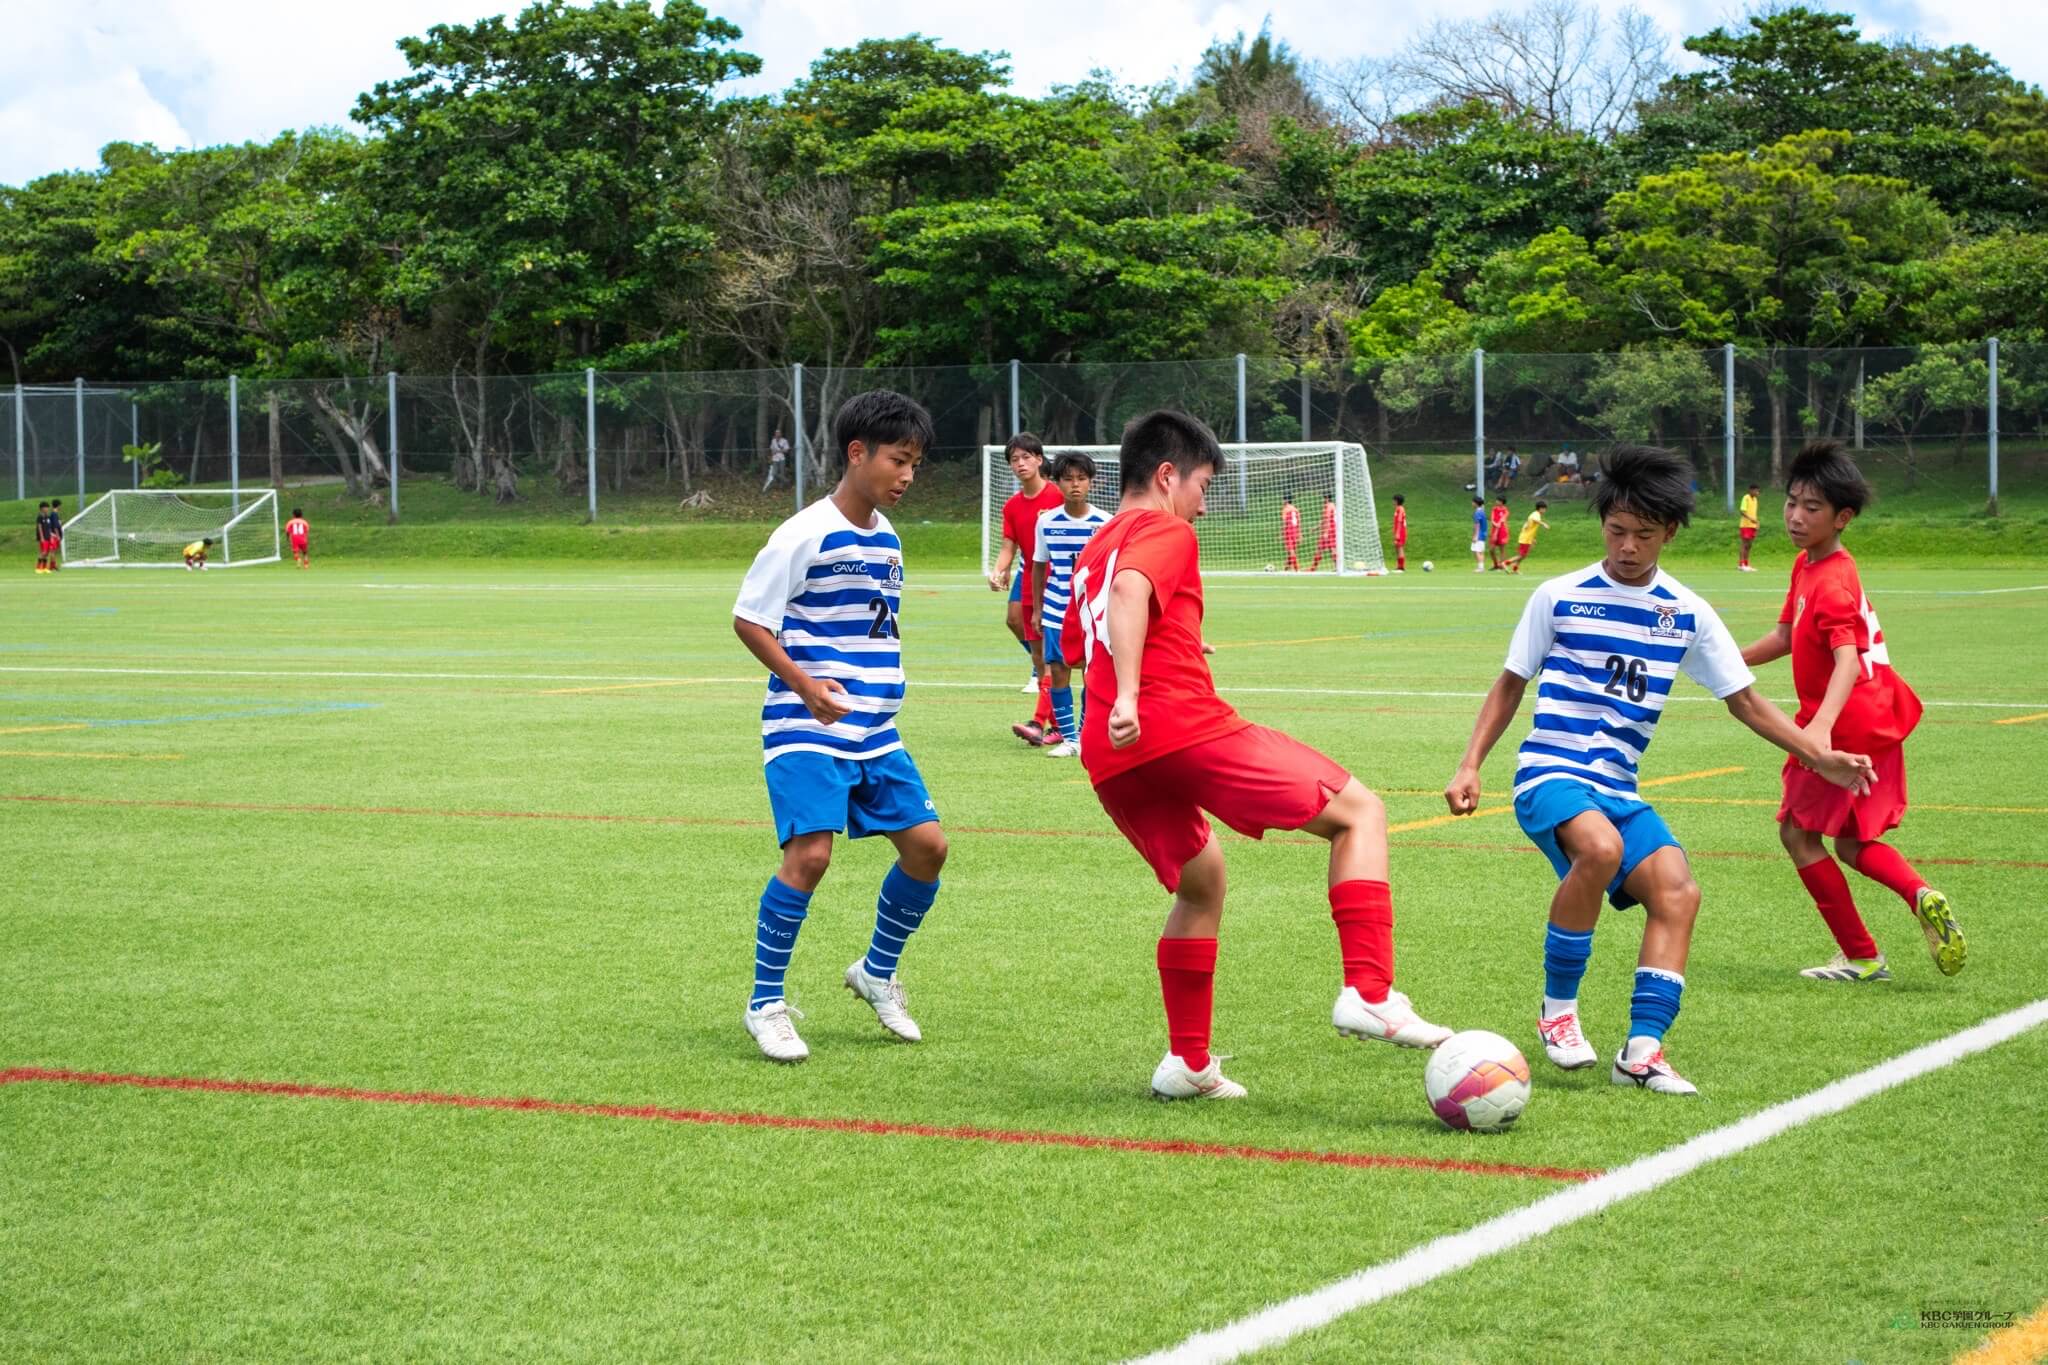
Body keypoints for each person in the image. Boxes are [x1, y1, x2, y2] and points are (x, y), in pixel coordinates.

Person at [1443, 446, 1873, 1096]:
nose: (1627, 546)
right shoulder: (1559, 596)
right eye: (1616, 530)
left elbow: (1747, 701)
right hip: (1550, 774)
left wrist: (1820, 756)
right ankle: (1558, 1011)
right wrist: (1470, 764)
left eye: (1643, 534)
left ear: (1669, 532)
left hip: (1617, 788)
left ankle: (1642, 1053)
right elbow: (1509, 685)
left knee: (1678, 891)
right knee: (1600, 848)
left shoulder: (1687, 612)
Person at [1064, 410, 1450, 1101]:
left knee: (1201, 881)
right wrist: (1131, 693)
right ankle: (1370, 991)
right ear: (1166, 476)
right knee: (1360, 812)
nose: (1203, 506)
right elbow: (1131, 593)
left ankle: (1187, 1063)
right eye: (1203, 486)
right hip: (1172, 724)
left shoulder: (1093, 549)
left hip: (1110, 754)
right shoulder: (1166, 529)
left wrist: (1166, 650)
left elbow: (1079, 643)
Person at [731, 389, 949, 1064]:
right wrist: (805, 686)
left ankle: (876, 971)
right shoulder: (803, 533)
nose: (907, 475)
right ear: (858, 453)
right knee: (810, 857)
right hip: (803, 724)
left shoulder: (888, 539)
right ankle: (765, 1004)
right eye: (898, 460)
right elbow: (750, 619)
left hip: (875, 731)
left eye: (914, 464)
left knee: (928, 848)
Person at [1738, 442, 1962, 984]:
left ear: (1842, 518)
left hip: (1845, 721)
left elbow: (1847, 659)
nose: (1795, 516)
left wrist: (1818, 731)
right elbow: (1786, 637)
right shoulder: (1808, 564)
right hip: (1876, 714)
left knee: (1797, 835)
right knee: (1852, 841)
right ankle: (1919, 893)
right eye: (1792, 502)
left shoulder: (1834, 582)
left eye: (1812, 508)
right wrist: (1724, 660)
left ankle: (1862, 956)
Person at [1030, 453, 1110, 758]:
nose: (1075, 484)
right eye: (1068, 479)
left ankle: (1086, 735)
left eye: (1081, 478)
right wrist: (1037, 610)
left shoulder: (1105, 523)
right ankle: (1070, 739)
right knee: (1059, 671)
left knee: (1091, 673)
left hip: (1091, 613)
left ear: (1091, 483)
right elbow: (1039, 566)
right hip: (1056, 611)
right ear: (1058, 483)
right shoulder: (1046, 522)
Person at [986, 433, 1064, 744]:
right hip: (1031, 579)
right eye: (1015, 459)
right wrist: (998, 569)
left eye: (1026, 457)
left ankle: (1039, 722)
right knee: (1040, 657)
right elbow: (1010, 545)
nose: (1020, 463)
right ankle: (1058, 725)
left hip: (1058, 583)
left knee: (1053, 659)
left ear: (1039, 460)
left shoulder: (1059, 496)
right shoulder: (1012, 506)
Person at [1508, 499, 1550, 573]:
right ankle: (1505, 563)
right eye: (1544, 509)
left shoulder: (1535, 514)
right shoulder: (1536, 514)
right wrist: (1543, 524)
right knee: (1521, 555)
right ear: (1540, 508)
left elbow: (1528, 526)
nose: (1545, 510)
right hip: (1525, 538)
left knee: (1523, 555)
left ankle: (1515, 569)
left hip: (1528, 538)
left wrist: (1533, 538)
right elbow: (1535, 520)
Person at [1308, 493, 1339, 572]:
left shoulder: (1328, 506)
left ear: (1327, 498)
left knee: (1323, 548)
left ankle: (1313, 568)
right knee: (1331, 549)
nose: (1323, 500)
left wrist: (1326, 532)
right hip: (1333, 530)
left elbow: (1327, 519)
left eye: (1324, 498)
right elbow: (1324, 520)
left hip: (1329, 530)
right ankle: (1338, 567)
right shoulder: (1333, 505)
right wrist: (1315, 528)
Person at [1737, 483, 1760, 571]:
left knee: (1749, 545)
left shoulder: (1755, 500)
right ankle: (1741, 564)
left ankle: (1746, 564)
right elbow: (1742, 511)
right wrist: (1750, 519)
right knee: (1744, 544)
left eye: (1758, 491)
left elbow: (1754, 513)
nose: (1757, 493)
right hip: (1745, 525)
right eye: (1756, 491)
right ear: (1751, 490)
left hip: (1752, 526)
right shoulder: (1746, 498)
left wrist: (1756, 523)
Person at [763, 425, 791, 492]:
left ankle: (782, 487)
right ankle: (786, 481)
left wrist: (779, 451)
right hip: (775, 459)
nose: (777, 434)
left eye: (779, 433)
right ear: (775, 434)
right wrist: (771, 456)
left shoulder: (784, 441)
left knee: (782, 472)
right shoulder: (773, 441)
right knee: (774, 473)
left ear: (781, 434)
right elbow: (771, 449)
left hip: (782, 459)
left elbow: (787, 450)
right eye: (776, 433)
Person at [1488, 495, 1512, 570]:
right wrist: (1495, 524)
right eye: (1497, 500)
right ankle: (1495, 564)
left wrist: (1498, 525)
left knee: (1502, 549)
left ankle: (1501, 565)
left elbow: (1502, 520)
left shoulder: (1506, 511)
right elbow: (1492, 519)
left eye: (1498, 501)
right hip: (1494, 530)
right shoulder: (1494, 509)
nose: (1496, 502)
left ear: (1502, 502)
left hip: (1502, 531)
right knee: (1491, 550)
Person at [1280, 493, 1301, 571]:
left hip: (1288, 531)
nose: (1282, 501)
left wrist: (1282, 533)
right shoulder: (1295, 509)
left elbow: (1284, 522)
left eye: (1283, 499)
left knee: (1291, 551)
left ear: (1286, 500)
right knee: (1291, 552)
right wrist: (1299, 534)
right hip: (1295, 531)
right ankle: (1286, 569)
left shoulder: (1285, 509)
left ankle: (1297, 570)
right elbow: (1299, 522)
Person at [1390, 494, 1408, 573]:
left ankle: (1401, 567)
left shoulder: (1400, 509)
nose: (1393, 502)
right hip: (1398, 531)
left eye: (1394, 500)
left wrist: (1397, 533)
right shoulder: (1397, 509)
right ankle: (1399, 566)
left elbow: (1400, 521)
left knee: (1400, 548)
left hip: (1400, 531)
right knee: (1397, 548)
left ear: (1396, 501)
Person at [1470, 495, 1488, 573]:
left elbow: (1477, 524)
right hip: (1483, 534)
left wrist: (1475, 536)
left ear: (1476, 503)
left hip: (1479, 535)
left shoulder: (1477, 513)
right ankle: (1481, 567)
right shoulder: (1482, 512)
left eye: (1473, 502)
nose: (1472, 503)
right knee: (1481, 551)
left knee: (1476, 551)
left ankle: (1480, 568)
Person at [44, 499, 62, 571]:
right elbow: (55, 526)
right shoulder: (54, 514)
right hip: (53, 535)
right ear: (58, 506)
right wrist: (57, 536)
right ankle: (53, 565)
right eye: (60, 506)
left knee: (54, 551)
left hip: (54, 535)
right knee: (52, 551)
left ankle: (52, 566)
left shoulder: (54, 514)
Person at [34, 501, 52, 573]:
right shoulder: (40, 517)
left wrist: (51, 535)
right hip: (43, 537)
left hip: (48, 536)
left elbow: (49, 527)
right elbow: (39, 527)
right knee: (43, 552)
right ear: (42, 508)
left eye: (48, 507)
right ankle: (38, 568)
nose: (47, 509)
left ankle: (44, 568)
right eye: (46, 507)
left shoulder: (47, 517)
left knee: (47, 552)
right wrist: (41, 537)